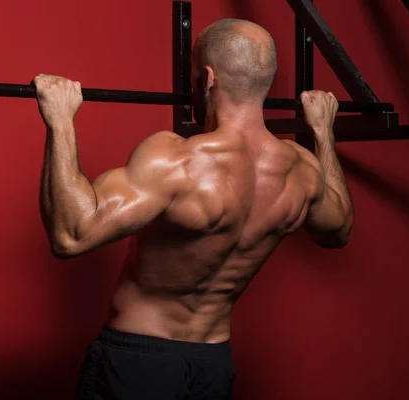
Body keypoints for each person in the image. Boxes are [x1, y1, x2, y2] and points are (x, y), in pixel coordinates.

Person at [33, 18, 353, 400]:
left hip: (139, 363)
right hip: (212, 366)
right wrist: (323, 133)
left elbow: (71, 235)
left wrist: (61, 122)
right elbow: (339, 229)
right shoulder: (301, 171)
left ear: (208, 78)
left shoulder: (178, 161)